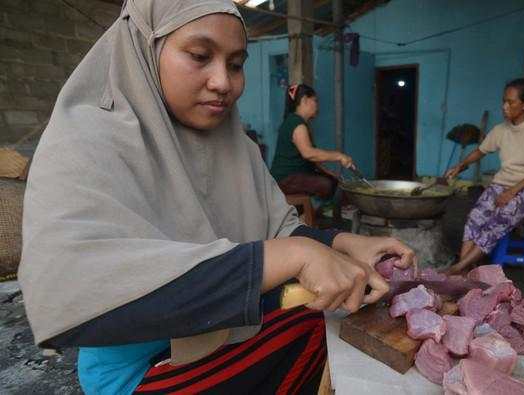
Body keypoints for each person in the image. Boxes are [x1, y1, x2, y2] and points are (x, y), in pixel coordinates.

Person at [18, 2, 415, 394]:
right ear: (146, 48)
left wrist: (345, 243)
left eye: (236, 64)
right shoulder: (88, 139)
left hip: (219, 335)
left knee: (332, 318)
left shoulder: (234, 147)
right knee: (315, 334)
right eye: (199, 55)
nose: (223, 82)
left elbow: (278, 231)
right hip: (142, 370)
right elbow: (77, 297)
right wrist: (295, 255)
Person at [443, 78, 524, 273]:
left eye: (510, 102)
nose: (504, 106)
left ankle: (459, 267)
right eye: (504, 101)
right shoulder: (501, 130)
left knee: (498, 219)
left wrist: (512, 192)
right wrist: (461, 166)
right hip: (501, 185)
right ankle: (465, 268)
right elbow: (481, 151)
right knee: (475, 217)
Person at [270, 84, 355, 199]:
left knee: (333, 181)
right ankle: (306, 213)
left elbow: (312, 161)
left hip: (294, 177)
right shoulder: (296, 123)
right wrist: (339, 156)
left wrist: (328, 172)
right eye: (315, 101)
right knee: (326, 185)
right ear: (305, 100)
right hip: (285, 179)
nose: (317, 106)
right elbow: (308, 153)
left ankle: (306, 213)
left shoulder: (297, 122)